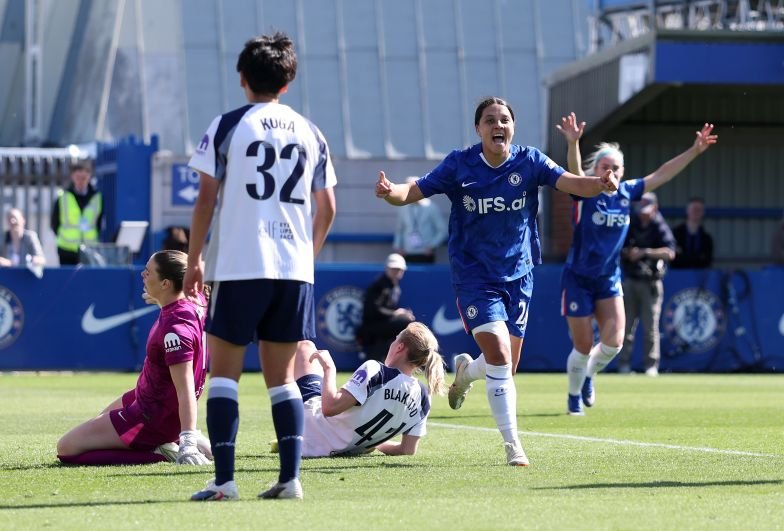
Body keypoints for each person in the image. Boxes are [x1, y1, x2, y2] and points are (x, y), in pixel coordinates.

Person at [375, 96, 619, 466]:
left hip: (519, 275)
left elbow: (572, 184)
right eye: (490, 120)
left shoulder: (530, 161)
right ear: (478, 129)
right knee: (500, 356)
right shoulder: (459, 164)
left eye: (504, 119)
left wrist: (599, 184)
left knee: (503, 365)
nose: (498, 125)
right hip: (475, 277)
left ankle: (464, 374)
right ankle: (513, 446)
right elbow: (414, 190)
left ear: (513, 127)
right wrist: (390, 191)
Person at [185, 32, 337, 502]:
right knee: (283, 379)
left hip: (239, 265)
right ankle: (290, 480)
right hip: (292, 269)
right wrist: (306, 256)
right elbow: (328, 207)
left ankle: (224, 482)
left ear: (242, 78)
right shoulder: (311, 132)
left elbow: (205, 200)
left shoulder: (229, 125)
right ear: (287, 83)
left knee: (224, 375)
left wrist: (194, 259)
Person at [555, 112, 717, 414]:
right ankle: (574, 396)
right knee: (582, 345)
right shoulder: (586, 192)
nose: (610, 172)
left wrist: (694, 151)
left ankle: (589, 375)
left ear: (623, 171)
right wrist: (573, 143)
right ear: (595, 170)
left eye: (615, 168)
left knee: (614, 344)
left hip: (608, 279)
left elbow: (662, 174)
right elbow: (575, 171)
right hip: (578, 278)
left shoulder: (627, 193)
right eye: (604, 167)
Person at [56, 250, 211, 466]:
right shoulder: (195, 299)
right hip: (151, 399)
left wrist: (188, 441)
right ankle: (170, 439)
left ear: (166, 283)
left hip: (152, 417)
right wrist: (159, 297)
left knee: (67, 448)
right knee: (98, 425)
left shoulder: (175, 329)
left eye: (148, 272)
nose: (142, 275)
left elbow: (185, 391)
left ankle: (163, 451)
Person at [281, 322, 446, 458]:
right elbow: (407, 450)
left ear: (400, 347)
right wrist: (372, 442)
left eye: (395, 340)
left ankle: (289, 429)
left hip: (311, 433)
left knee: (305, 346)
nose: (392, 344)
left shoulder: (376, 370)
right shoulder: (424, 397)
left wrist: (329, 368)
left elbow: (329, 407)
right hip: (346, 448)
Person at [618, 192, 677, 376]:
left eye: (646, 210)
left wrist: (644, 252)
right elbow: (619, 246)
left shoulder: (659, 226)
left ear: (655, 208)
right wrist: (629, 253)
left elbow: (670, 253)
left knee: (650, 327)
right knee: (626, 326)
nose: (643, 214)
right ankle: (624, 365)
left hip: (651, 282)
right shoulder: (632, 222)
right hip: (630, 279)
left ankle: (651, 365)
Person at [356, 253, 416, 362]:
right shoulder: (378, 286)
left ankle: (384, 359)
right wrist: (396, 313)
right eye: (393, 269)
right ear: (387, 268)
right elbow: (371, 310)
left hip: (383, 325)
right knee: (406, 322)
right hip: (371, 326)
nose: (396, 272)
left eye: (399, 269)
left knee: (405, 323)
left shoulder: (394, 287)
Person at [50, 162, 103, 265]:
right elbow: (54, 222)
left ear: (89, 176)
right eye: (78, 177)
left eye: (83, 178)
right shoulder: (63, 196)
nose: (80, 181)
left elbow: (99, 222)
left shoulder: (97, 197)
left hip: (89, 248)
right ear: (72, 177)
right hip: (66, 249)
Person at [393, 177, 448, 264]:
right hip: (407, 253)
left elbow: (442, 230)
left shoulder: (431, 207)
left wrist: (432, 246)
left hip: (426, 254)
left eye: (413, 189)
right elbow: (400, 230)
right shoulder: (403, 208)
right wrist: (398, 248)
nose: (410, 193)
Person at [671, 197, 714, 269]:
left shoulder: (706, 238)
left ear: (703, 213)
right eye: (694, 209)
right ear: (687, 211)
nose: (696, 212)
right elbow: (673, 258)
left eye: (699, 210)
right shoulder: (675, 234)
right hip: (677, 274)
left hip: (699, 275)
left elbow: (707, 261)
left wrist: (683, 255)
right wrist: (697, 258)